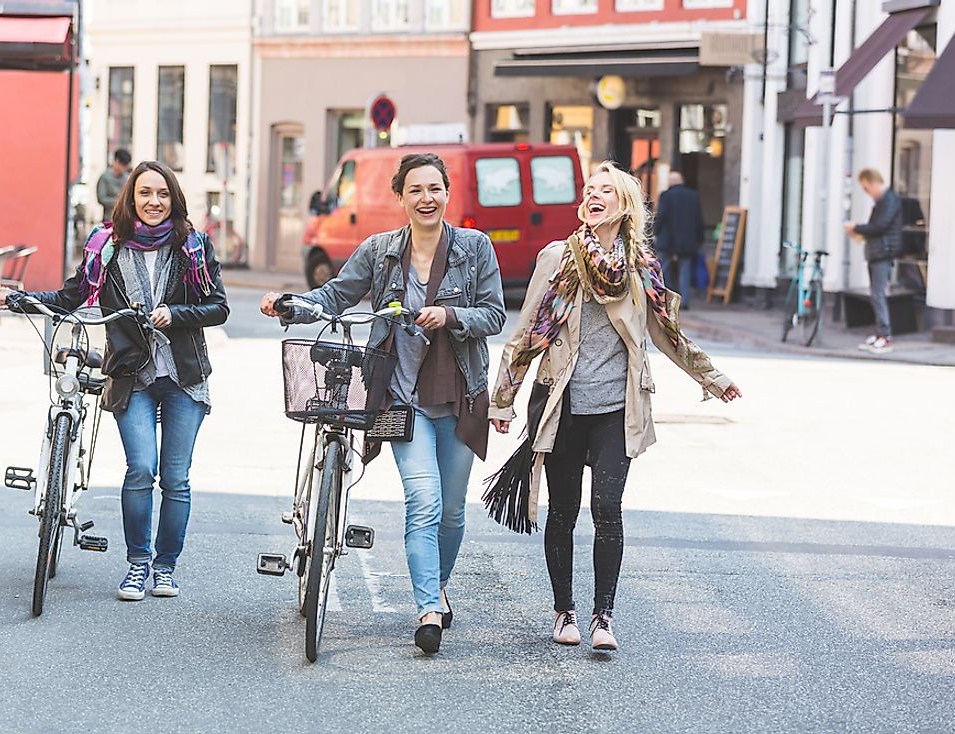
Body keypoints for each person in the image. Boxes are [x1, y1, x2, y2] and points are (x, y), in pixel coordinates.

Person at [485, 161, 741, 652]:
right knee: (562, 513)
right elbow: (526, 332)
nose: (594, 195)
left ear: (624, 207)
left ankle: (604, 617)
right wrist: (504, 399)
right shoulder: (558, 258)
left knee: (607, 508)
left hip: (617, 408)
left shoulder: (642, 267)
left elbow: (668, 334)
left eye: (605, 190)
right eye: (590, 189)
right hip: (563, 405)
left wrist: (713, 377)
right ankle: (565, 613)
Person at [260, 153, 506, 655]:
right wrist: (291, 304)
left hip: (460, 396)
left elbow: (495, 314)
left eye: (434, 188)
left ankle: (437, 583)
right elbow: (334, 296)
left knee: (453, 513)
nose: (426, 198)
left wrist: (450, 315)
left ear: (446, 193)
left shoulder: (474, 248)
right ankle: (427, 609)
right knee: (424, 502)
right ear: (401, 197)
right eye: (415, 190)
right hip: (400, 396)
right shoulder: (379, 252)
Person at [0, 160, 229, 601]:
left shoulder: (193, 247)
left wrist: (176, 315)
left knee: (175, 478)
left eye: (162, 194)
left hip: (184, 375)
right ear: (131, 198)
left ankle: (165, 567)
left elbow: (218, 307)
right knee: (141, 469)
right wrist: (20, 299)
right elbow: (72, 296)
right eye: (145, 193)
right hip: (130, 373)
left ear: (173, 199)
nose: (154, 202)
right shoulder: (107, 246)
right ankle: (138, 565)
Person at [844, 168, 903, 355]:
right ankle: (880, 334)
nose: (866, 192)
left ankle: (885, 337)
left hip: (882, 254)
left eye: (866, 188)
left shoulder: (889, 200)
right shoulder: (883, 202)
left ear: (873, 183)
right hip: (878, 253)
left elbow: (879, 226)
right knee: (876, 294)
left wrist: (857, 228)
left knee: (878, 295)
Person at [653, 170, 704, 310]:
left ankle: (667, 301)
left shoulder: (666, 196)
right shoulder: (693, 196)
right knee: (685, 271)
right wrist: (700, 238)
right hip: (687, 241)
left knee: (665, 270)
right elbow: (698, 219)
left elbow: (661, 217)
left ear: (670, 182)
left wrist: (655, 232)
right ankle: (685, 301)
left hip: (667, 241)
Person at [97, 148, 132, 221]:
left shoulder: (128, 178)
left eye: (125, 166)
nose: (123, 168)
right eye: (121, 164)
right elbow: (101, 198)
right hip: (109, 218)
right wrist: (119, 202)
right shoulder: (105, 177)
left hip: (125, 219)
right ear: (116, 161)